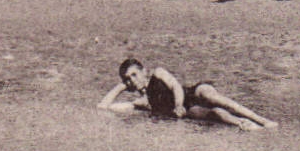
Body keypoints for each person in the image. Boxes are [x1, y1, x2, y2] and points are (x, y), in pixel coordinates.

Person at [98, 58, 276, 130]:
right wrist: (120, 87)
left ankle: (261, 120)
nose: (132, 80)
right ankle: (246, 125)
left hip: (192, 93)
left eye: (134, 75)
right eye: (127, 79)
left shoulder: (158, 74)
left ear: (144, 71)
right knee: (215, 114)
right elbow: (103, 108)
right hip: (188, 109)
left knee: (213, 98)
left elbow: (175, 86)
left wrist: (177, 105)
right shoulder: (143, 101)